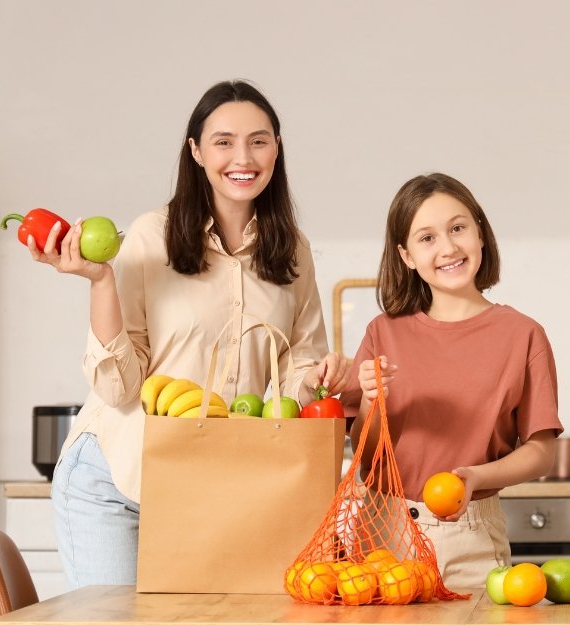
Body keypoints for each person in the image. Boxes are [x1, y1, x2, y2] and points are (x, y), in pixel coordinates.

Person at [27, 80, 354, 588]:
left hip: (212, 485)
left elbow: (296, 376)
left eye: (258, 140)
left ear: (277, 148)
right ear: (196, 151)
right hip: (116, 482)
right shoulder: (149, 236)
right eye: (223, 141)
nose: (242, 156)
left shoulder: (293, 250)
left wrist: (322, 377)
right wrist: (100, 280)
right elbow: (118, 387)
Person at [346, 172, 562, 590]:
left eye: (458, 228)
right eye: (426, 238)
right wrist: (373, 402)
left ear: (480, 233)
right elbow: (367, 455)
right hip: (380, 536)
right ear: (406, 255)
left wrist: (478, 478)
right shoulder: (382, 332)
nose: (448, 248)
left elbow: (540, 452)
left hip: (470, 539)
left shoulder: (522, 334)